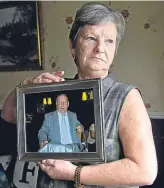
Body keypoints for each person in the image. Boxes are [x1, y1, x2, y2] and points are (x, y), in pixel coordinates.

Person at [0, 2, 157, 188]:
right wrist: (24, 86)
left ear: (115, 50)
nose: (100, 48)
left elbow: (144, 171)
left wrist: (74, 173)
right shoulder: (54, 89)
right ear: (72, 46)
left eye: (109, 41)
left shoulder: (126, 97)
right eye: (91, 38)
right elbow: (8, 117)